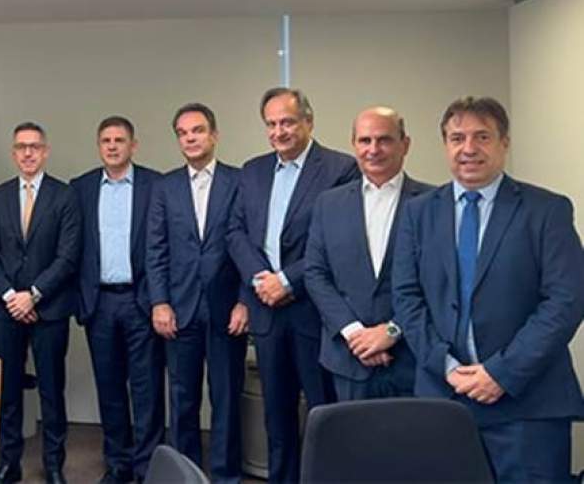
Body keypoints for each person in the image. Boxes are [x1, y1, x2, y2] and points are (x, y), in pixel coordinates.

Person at [393, 96, 584, 482]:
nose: (468, 148)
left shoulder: (546, 210)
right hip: (443, 400)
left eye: (482, 136)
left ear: (504, 143)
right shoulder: (418, 212)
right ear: (445, 145)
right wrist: (446, 367)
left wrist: (502, 372)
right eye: (457, 138)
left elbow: (566, 300)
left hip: (527, 404)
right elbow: (406, 298)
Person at [226, 88, 359, 483]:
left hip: (312, 310)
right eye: (271, 124)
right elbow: (235, 232)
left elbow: (339, 241)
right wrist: (261, 279)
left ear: (308, 122)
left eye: (287, 122)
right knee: (276, 415)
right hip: (266, 310)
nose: (279, 131)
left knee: (323, 413)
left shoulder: (340, 169)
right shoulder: (252, 170)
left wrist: (287, 281)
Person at [146, 103, 248, 483]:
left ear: (214, 135)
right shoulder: (165, 186)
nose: (190, 138)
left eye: (198, 130)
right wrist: (159, 301)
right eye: (183, 133)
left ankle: (225, 476)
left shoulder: (239, 181)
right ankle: (185, 476)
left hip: (227, 310)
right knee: (183, 401)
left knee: (226, 399)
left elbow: (250, 246)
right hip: (179, 309)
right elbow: (155, 249)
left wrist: (245, 301)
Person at [306, 107, 431, 401]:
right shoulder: (328, 204)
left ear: (405, 144)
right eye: (365, 141)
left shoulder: (433, 203)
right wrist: (355, 334)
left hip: (412, 358)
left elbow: (441, 281)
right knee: (351, 434)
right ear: (354, 145)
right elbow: (315, 273)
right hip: (349, 358)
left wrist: (392, 331)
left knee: (414, 433)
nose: (373, 149)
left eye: (384, 140)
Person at [0, 122, 81, 484]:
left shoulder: (64, 196)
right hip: (6, 309)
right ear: (13, 153)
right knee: (8, 391)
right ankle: (10, 462)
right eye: (21, 147)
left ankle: (53, 464)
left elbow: (68, 256)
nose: (28, 153)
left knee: (52, 390)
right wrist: (11, 296)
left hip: (49, 309)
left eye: (34, 146)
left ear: (45, 151)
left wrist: (34, 294)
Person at [71, 115, 162, 483]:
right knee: (109, 389)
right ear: (99, 146)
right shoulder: (81, 188)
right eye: (106, 140)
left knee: (147, 390)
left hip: (141, 300)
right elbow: (74, 248)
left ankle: (147, 467)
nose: (112, 146)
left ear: (133, 146)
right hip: (100, 303)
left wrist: (157, 299)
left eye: (119, 140)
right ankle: (119, 464)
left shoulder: (155, 185)